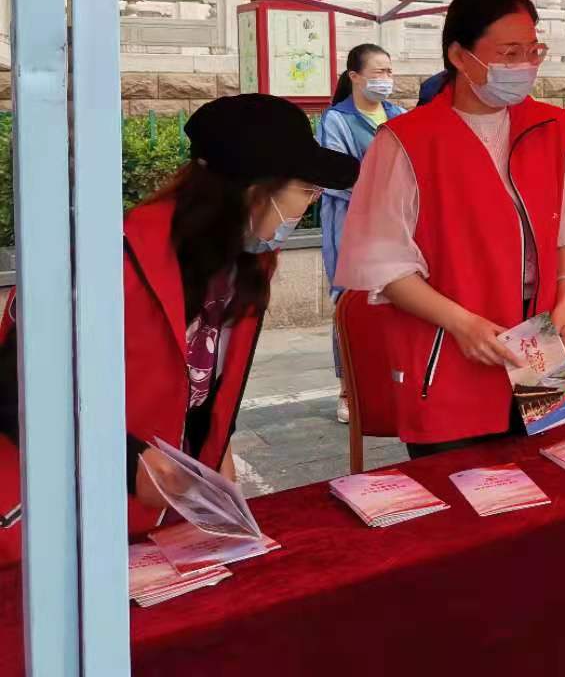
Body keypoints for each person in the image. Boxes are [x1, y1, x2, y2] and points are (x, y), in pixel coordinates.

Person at [0, 95, 359, 549]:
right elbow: (17, 394)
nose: (306, 207)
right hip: (57, 518)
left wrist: (218, 461)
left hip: (162, 520)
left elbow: (207, 394)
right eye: (305, 191)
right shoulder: (106, 260)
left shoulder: (247, 267)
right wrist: (130, 464)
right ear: (257, 189)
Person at [334, 0, 565, 459]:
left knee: (553, 481)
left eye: (533, 49)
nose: (524, 64)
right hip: (449, 344)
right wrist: (462, 324)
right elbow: (385, 266)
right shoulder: (405, 141)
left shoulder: (550, 126)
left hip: (540, 340)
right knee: (466, 496)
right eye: (509, 51)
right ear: (460, 56)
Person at [318, 44, 405, 424]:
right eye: (378, 72)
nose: (385, 79)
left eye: (389, 71)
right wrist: (378, 189)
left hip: (393, 226)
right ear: (354, 76)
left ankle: (388, 383)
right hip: (349, 227)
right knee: (349, 306)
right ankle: (348, 390)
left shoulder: (399, 115)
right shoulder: (335, 121)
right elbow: (335, 175)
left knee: (394, 302)